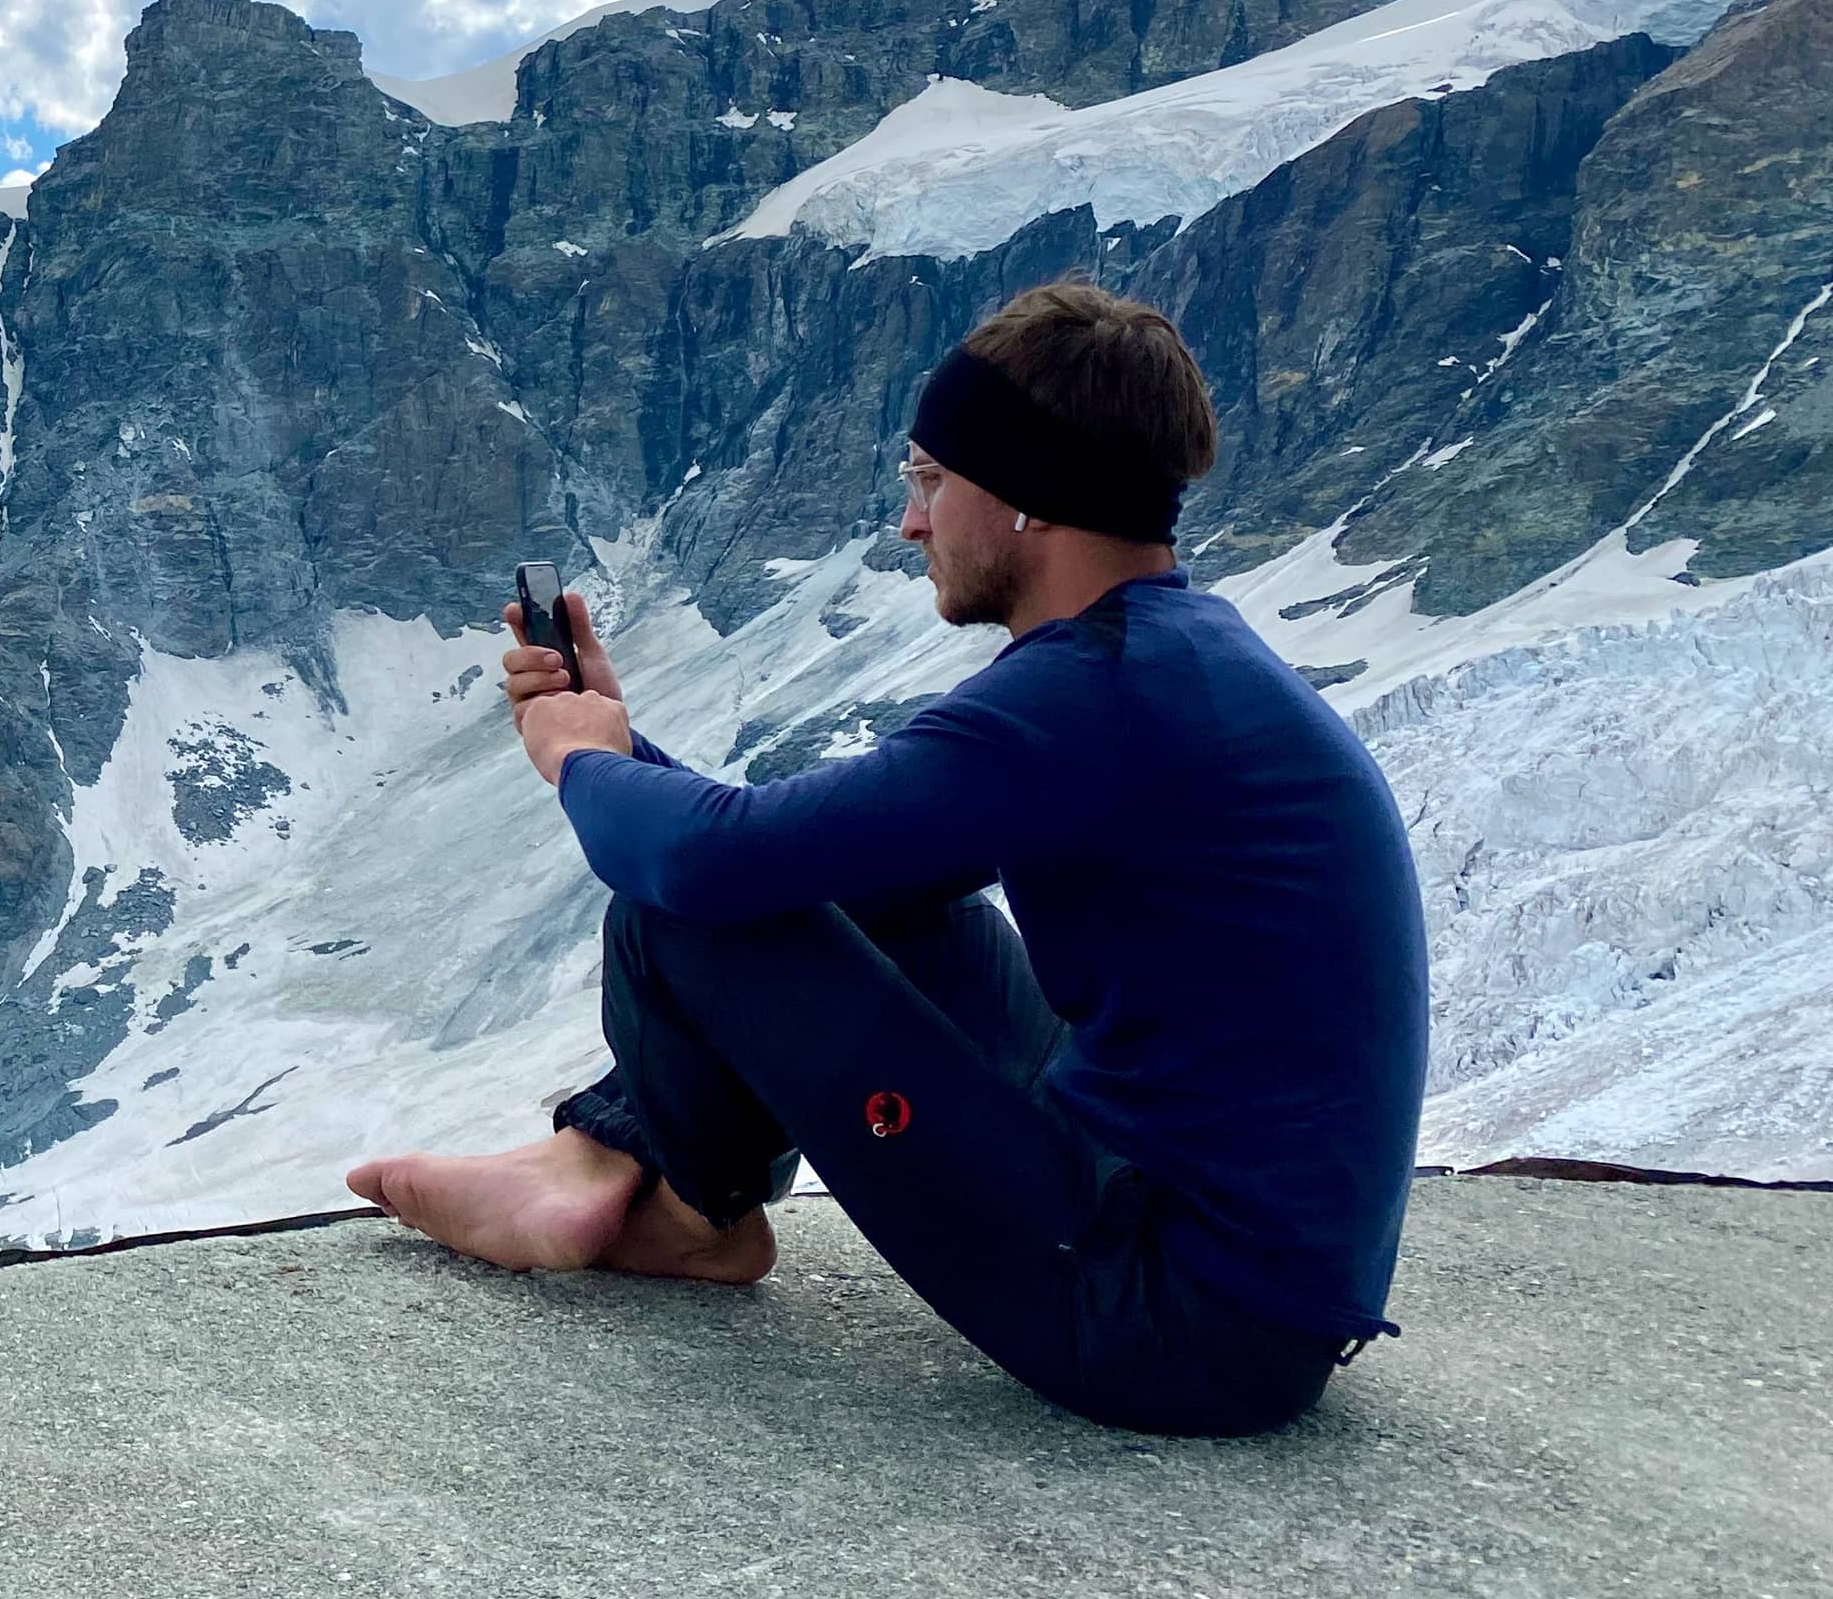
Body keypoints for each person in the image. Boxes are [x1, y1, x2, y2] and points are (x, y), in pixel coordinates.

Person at [346, 277, 1429, 1436]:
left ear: (1025, 499)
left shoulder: (1090, 699)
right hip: (1237, 1291)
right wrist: (613, 740)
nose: (912, 522)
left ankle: (674, 1209)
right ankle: (621, 1168)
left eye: (929, 480)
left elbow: (709, 873)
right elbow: (803, 854)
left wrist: (577, 760)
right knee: (886, 904)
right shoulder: (1165, 661)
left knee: (687, 904)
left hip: (1170, 1329)